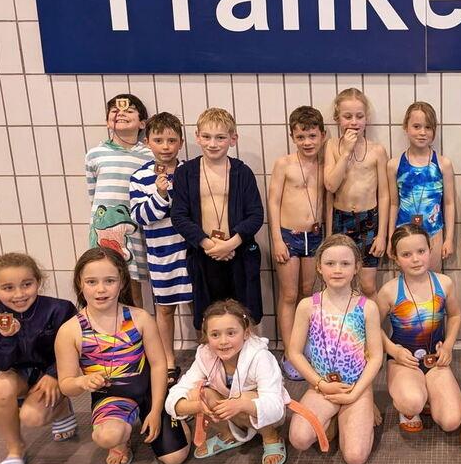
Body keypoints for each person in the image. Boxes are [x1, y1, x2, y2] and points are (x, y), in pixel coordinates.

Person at [54, 248, 190, 464]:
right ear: (80, 283)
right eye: (91, 282)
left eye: (109, 281)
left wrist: (156, 411)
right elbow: (66, 385)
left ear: (122, 282)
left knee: (174, 458)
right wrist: (82, 381)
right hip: (112, 399)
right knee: (107, 436)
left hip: (151, 391)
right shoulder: (70, 331)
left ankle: (177, 416)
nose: (101, 289)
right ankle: (120, 442)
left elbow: (158, 366)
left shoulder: (140, 318)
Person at [286, 235, 384, 464]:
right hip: (323, 387)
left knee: (355, 457)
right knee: (299, 438)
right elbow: (294, 353)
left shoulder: (367, 308)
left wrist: (356, 393)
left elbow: (376, 357)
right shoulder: (307, 306)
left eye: (345, 263)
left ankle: (359, 407)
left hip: (355, 386)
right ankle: (337, 417)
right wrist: (320, 384)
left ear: (357, 267)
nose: (337, 270)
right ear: (319, 267)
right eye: (330, 263)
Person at [0, 253, 78, 464]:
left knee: (31, 417)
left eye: (26, 284)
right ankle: (15, 449)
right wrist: (6, 338)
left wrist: (54, 374)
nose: (19, 294)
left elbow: (77, 348)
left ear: (38, 281)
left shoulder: (60, 309)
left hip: (56, 372)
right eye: (8, 288)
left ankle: (62, 408)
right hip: (18, 374)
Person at [166, 300, 289, 464]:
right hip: (231, 411)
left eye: (231, 333)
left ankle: (271, 437)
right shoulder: (205, 355)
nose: (223, 341)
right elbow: (176, 393)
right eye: (215, 335)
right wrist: (197, 406)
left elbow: (275, 407)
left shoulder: (261, 357)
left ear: (246, 333)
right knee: (198, 394)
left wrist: (242, 404)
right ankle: (229, 434)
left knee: (243, 397)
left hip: (264, 415)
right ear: (206, 336)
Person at [170, 108, 264, 330]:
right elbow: (179, 215)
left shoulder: (243, 172)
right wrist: (208, 245)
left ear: (233, 139)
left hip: (239, 252)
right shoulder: (186, 173)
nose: (212, 144)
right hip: (204, 253)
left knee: (245, 313)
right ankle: (210, 352)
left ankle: (248, 352)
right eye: (207, 137)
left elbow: (256, 215)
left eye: (220, 137)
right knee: (208, 316)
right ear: (197, 137)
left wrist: (231, 244)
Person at [376, 224, 461, 433]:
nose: (415, 259)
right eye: (406, 254)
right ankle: (411, 403)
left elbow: (455, 315)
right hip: (403, 361)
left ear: (430, 250)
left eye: (421, 251)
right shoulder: (389, 291)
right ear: (395, 258)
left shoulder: (444, 283)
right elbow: (372, 327)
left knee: (451, 422)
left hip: (435, 360)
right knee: (412, 402)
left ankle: (428, 391)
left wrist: (448, 346)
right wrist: (393, 350)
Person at [129, 111, 193, 384]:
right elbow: (140, 216)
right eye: (158, 140)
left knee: (199, 307)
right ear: (147, 142)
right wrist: (160, 194)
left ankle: (207, 357)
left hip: (192, 250)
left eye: (171, 140)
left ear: (181, 142)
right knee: (165, 308)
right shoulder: (140, 177)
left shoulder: (191, 171)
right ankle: (168, 360)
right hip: (161, 253)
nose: (165, 147)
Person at [268, 106, 327, 380]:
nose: (307, 142)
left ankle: (303, 347)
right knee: (289, 294)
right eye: (301, 137)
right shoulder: (284, 164)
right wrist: (277, 239)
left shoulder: (325, 164)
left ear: (322, 135)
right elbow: (273, 201)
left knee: (307, 292)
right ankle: (289, 351)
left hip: (314, 236)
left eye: (312, 136)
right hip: (289, 236)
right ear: (292, 136)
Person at [85, 93, 153, 306]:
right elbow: (93, 194)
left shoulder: (150, 155)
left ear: (142, 123)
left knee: (132, 287)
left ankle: (134, 327)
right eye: (115, 111)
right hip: (104, 229)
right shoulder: (95, 154)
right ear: (108, 121)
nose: (121, 114)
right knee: (104, 281)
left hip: (134, 229)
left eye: (129, 110)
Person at [324, 88, 389, 297]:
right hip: (341, 219)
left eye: (359, 116)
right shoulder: (332, 146)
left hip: (369, 220)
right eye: (347, 116)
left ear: (366, 118)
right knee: (341, 284)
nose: (354, 122)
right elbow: (330, 186)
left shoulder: (377, 150)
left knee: (368, 286)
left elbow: (384, 195)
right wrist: (346, 152)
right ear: (337, 118)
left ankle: (372, 320)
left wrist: (382, 235)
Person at [387, 101, 457, 271]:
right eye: (416, 126)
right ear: (406, 127)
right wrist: (390, 238)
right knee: (407, 282)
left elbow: (449, 203)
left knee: (432, 281)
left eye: (428, 127)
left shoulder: (443, 164)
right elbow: (394, 204)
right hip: (403, 233)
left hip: (433, 232)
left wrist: (449, 239)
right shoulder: (394, 165)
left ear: (434, 130)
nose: (422, 133)